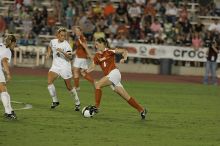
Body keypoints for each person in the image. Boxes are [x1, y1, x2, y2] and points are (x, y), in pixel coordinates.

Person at [86, 37, 147, 120]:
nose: (96, 46)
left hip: (114, 73)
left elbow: (124, 51)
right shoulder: (97, 56)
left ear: (104, 44)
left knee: (97, 84)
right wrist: (85, 71)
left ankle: (96, 107)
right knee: (125, 96)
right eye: (95, 44)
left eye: (97, 44)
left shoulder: (109, 51)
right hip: (110, 77)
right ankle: (142, 110)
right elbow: (92, 67)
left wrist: (124, 58)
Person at [46, 27, 80, 111]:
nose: (63, 37)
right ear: (57, 35)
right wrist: (48, 53)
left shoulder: (66, 45)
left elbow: (70, 57)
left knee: (69, 87)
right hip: (55, 66)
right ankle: (55, 101)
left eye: (64, 36)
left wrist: (62, 52)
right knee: (49, 82)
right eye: (61, 35)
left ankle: (77, 102)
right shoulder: (53, 41)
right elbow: (50, 46)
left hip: (65, 67)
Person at [0, 34, 17, 119]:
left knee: (4, 90)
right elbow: (4, 61)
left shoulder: (1, 45)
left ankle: (10, 110)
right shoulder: (7, 51)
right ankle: (8, 113)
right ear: (12, 42)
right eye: (15, 44)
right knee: (3, 90)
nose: (15, 45)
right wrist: (8, 74)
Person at [72, 26, 94, 91]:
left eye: (77, 31)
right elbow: (79, 48)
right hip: (81, 56)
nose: (76, 32)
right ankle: (95, 83)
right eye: (75, 31)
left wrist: (90, 56)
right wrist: (72, 53)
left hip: (80, 57)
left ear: (81, 31)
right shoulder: (79, 38)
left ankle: (77, 87)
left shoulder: (81, 38)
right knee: (82, 72)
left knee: (75, 71)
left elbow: (85, 47)